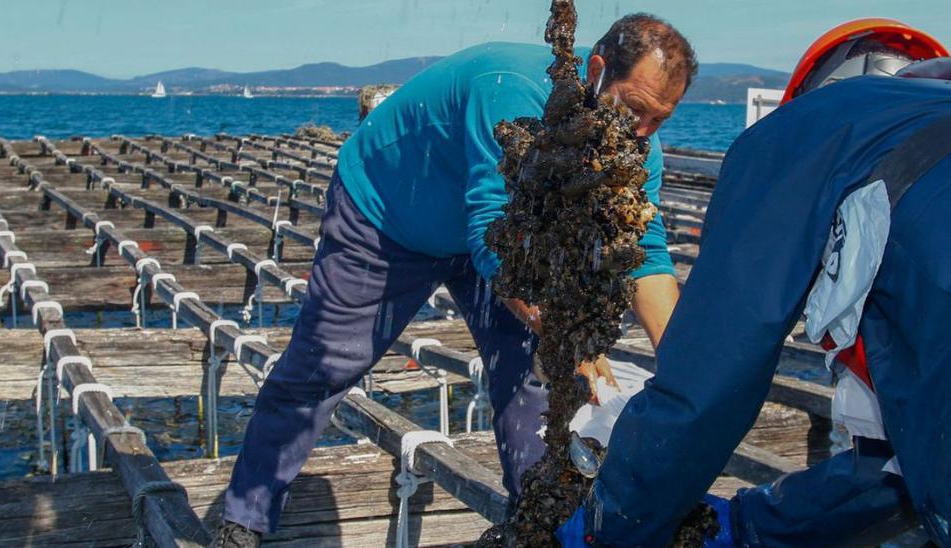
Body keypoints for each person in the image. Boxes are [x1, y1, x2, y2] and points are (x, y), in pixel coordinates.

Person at [557, 18, 951, 547]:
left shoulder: (806, 131)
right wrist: (754, 523)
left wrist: (619, 517)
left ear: (808, 95)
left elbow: (712, 378)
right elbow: (891, 466)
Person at [212, 14, 698, 547]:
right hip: (388, 214)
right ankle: (246, 516)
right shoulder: (513, 92)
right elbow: (491, 221)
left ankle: (539, 525)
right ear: (598, 70)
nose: (644, 132)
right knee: (324, 362)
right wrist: (567, 331)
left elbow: (644, 252)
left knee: (535, 378)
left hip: (507, 232)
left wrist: (685, 369)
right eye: (634, 109)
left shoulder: (638, 149)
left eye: (660, 120)